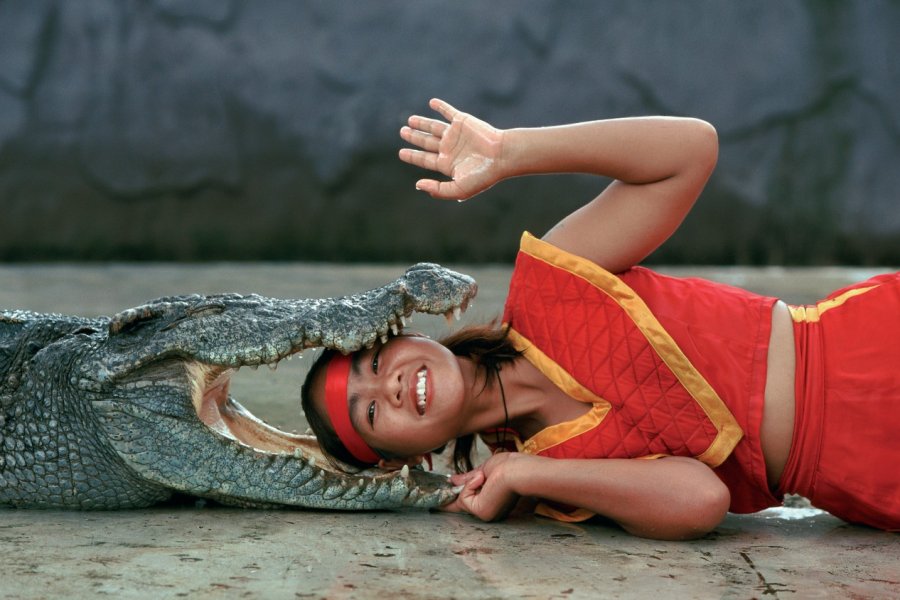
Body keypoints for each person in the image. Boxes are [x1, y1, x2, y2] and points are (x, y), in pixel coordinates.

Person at [300, 98, 900, 540]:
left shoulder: (551, 283)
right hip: (859, 470)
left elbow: (692, 149)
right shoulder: (545, 480)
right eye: (371, 410)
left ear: (408, 336)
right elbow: (701, 500)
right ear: (406, 461)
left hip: (867, 339)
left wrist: (511, 153)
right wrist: (527, 472)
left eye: (376, 362)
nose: (392, 385)